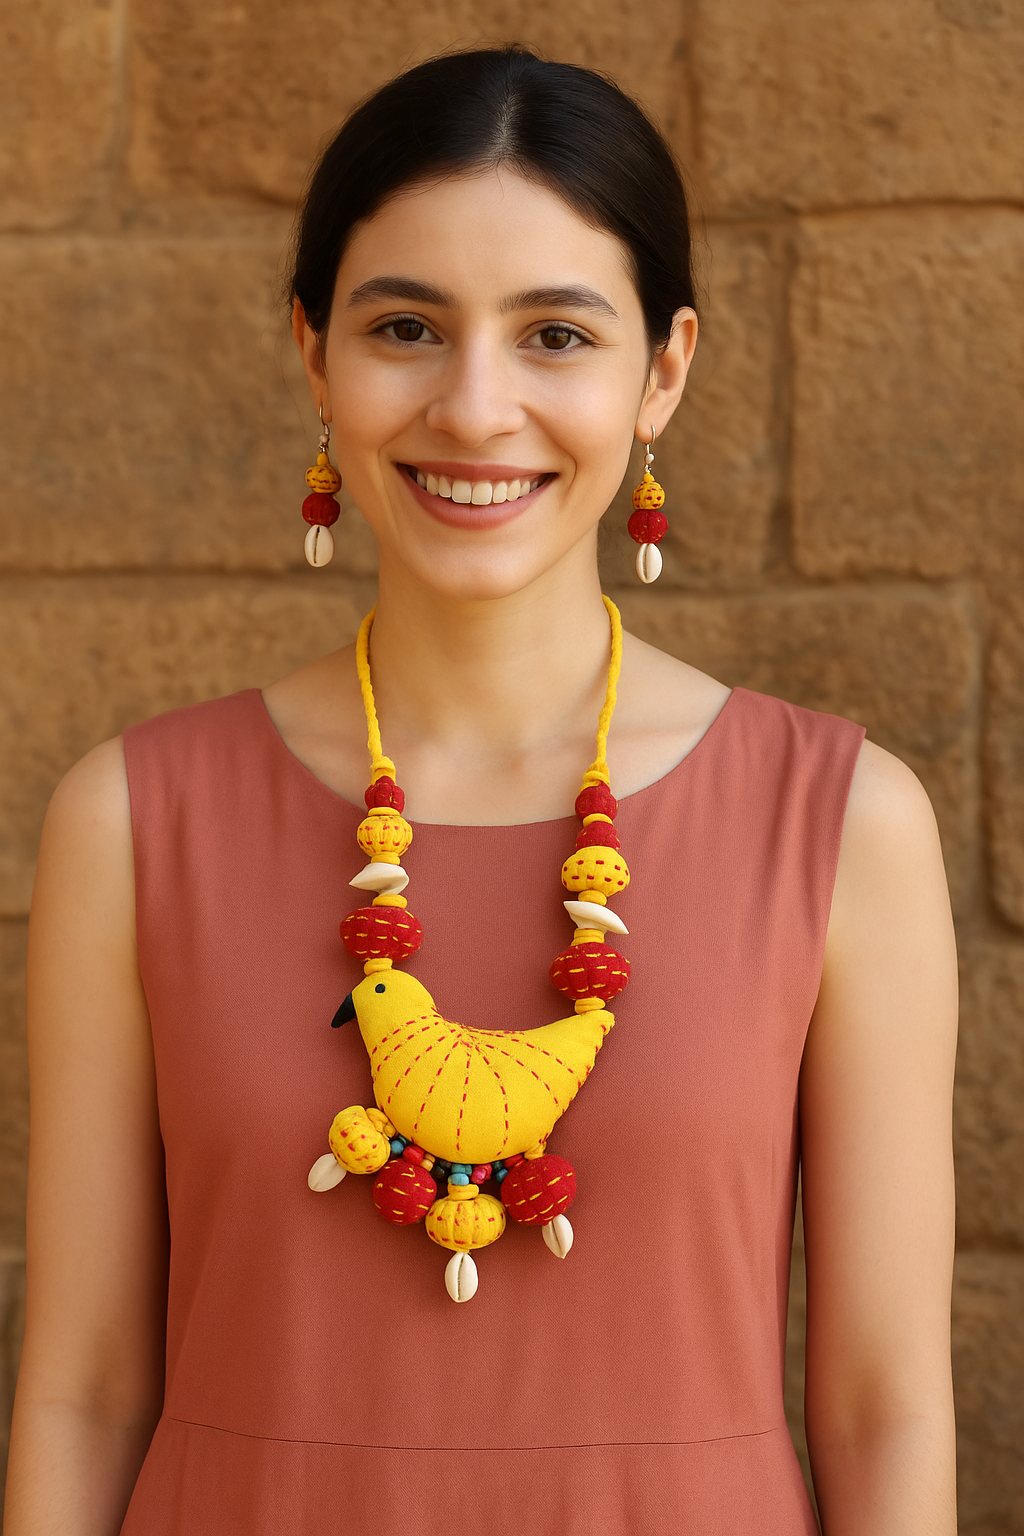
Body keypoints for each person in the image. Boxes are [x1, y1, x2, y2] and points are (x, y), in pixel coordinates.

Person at [4, 45, 958, 1536]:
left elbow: (884, 1406)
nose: (475, 405)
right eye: (407, 327)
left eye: (557, 335)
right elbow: (84, 1385)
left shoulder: (843, 826)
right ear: (314, 356)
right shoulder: (131, 824)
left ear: (666, 370)